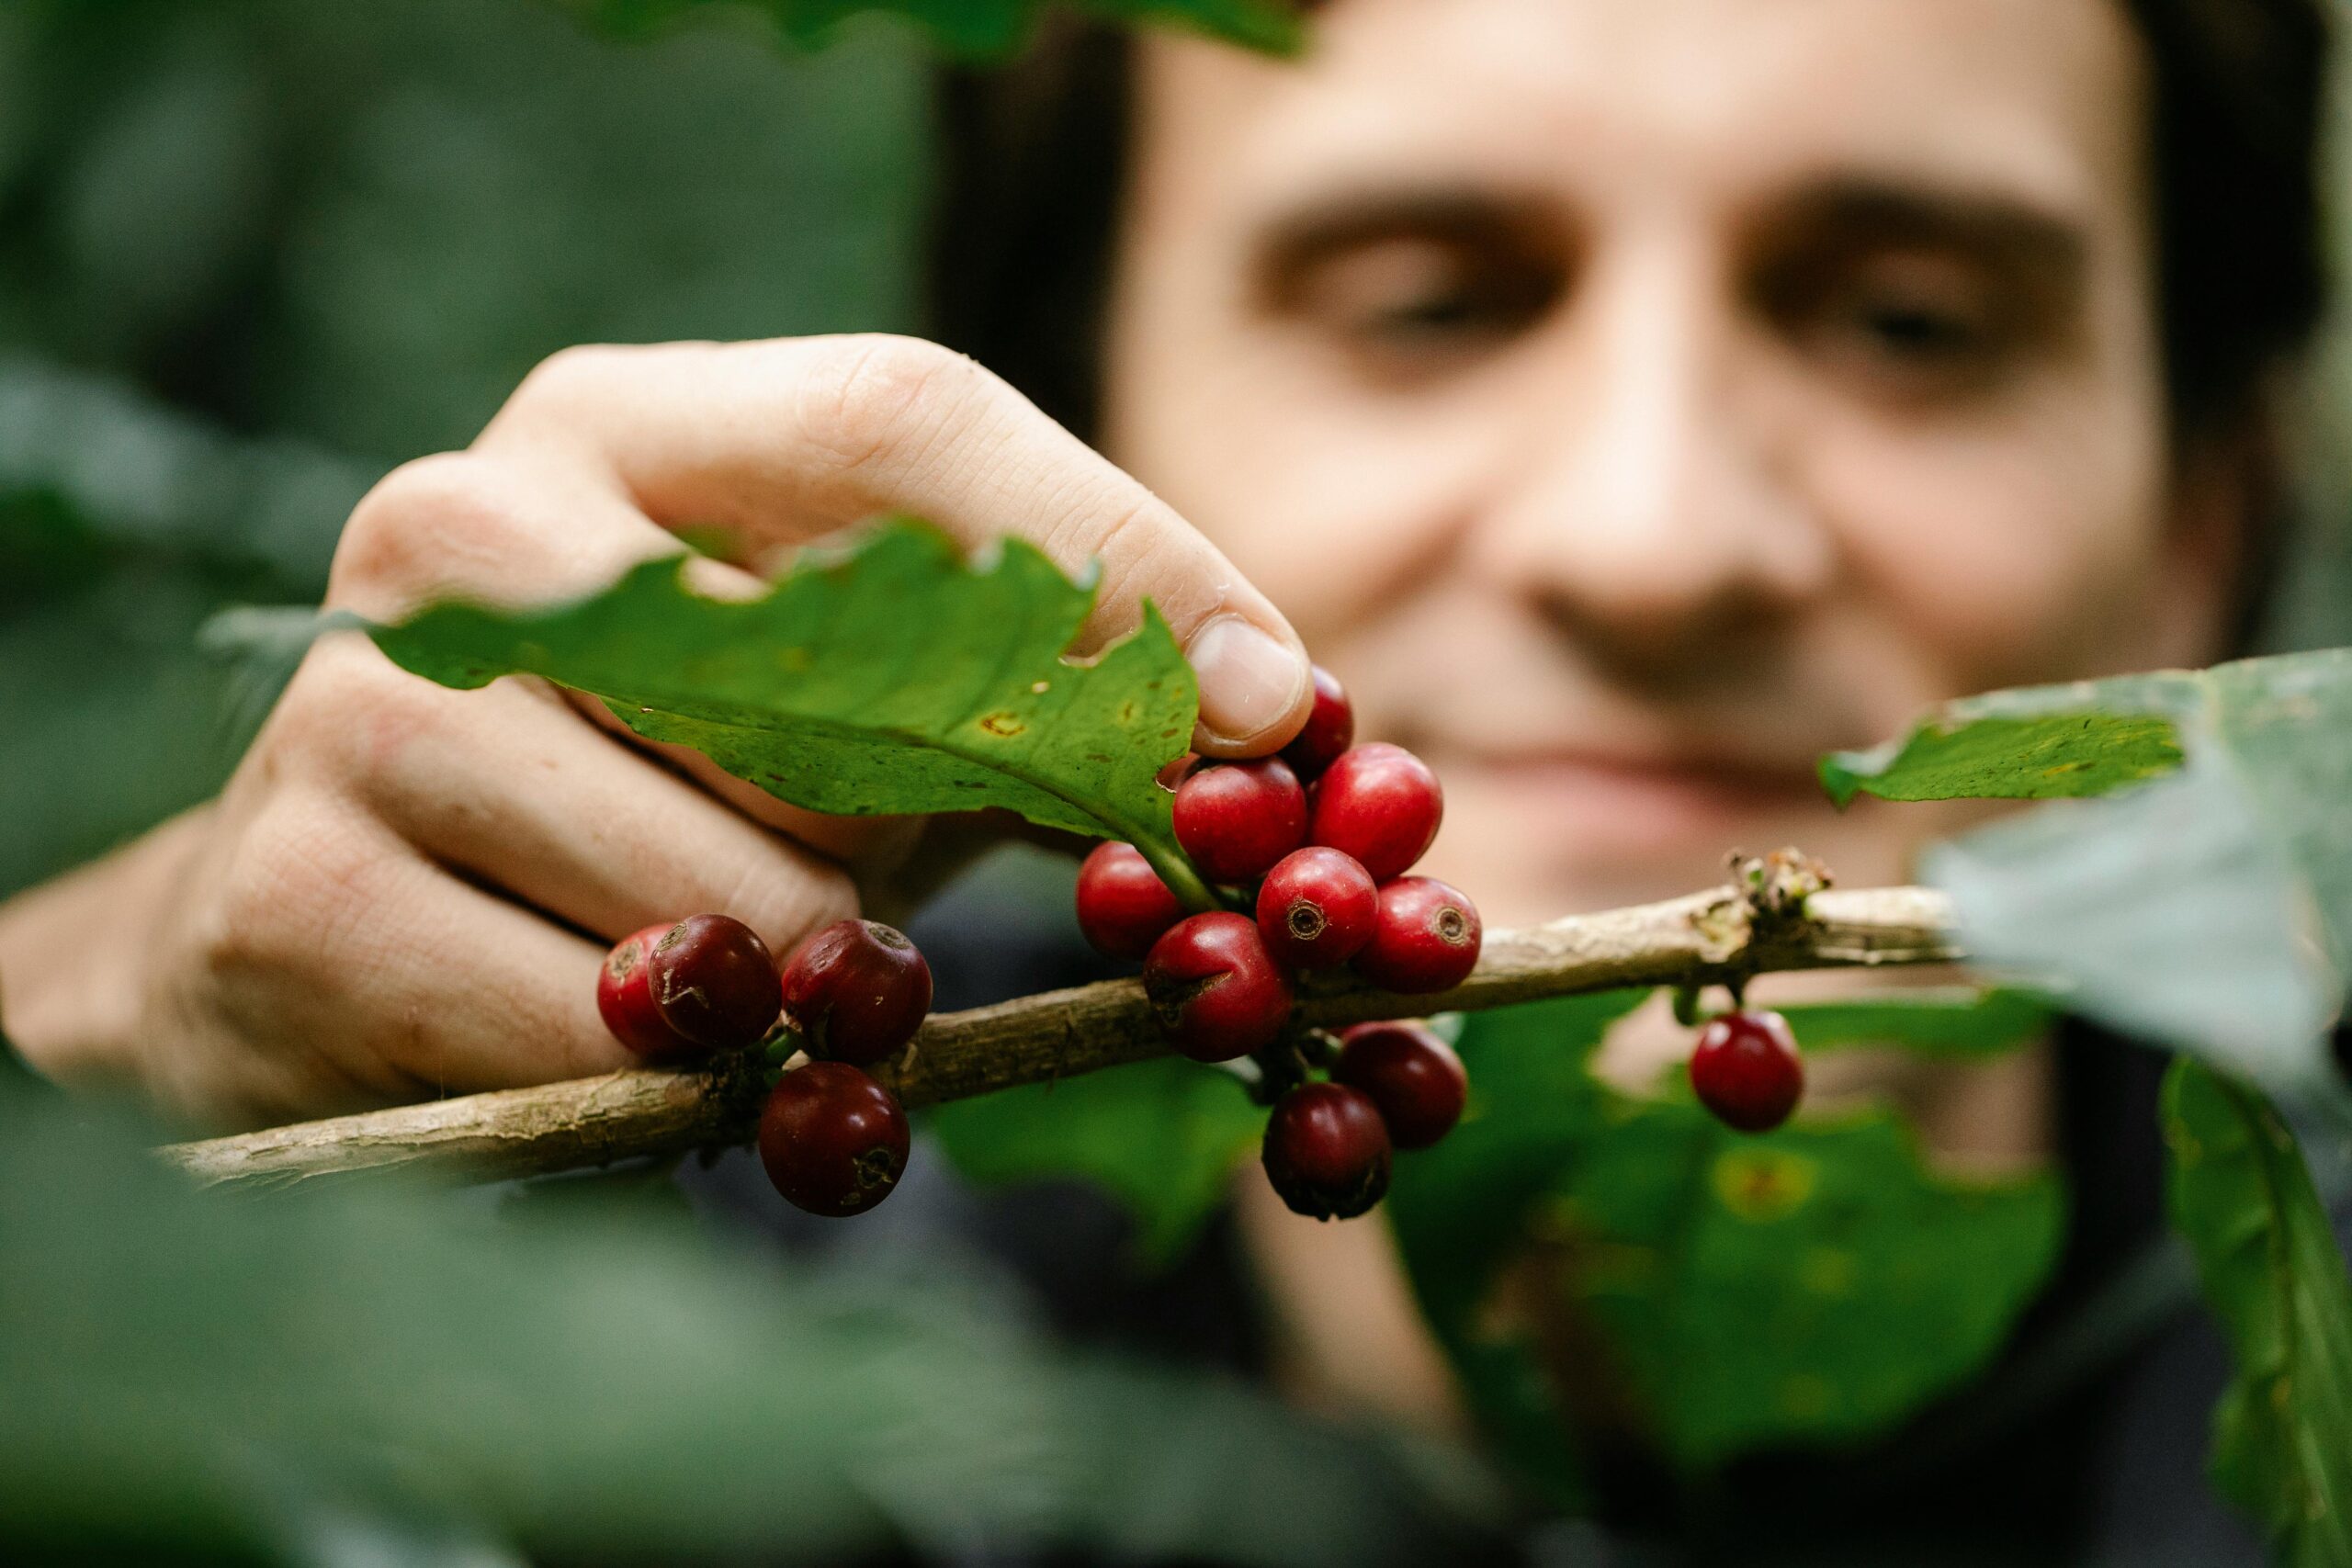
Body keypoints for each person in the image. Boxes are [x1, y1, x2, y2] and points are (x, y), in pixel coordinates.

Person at [0, 0, 2327, 1556]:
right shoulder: (749, 1196)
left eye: (1908, 319)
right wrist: (106, 1052)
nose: (1651, 532)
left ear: (2199, 515)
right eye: (1426, 295)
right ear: (1061, 425)